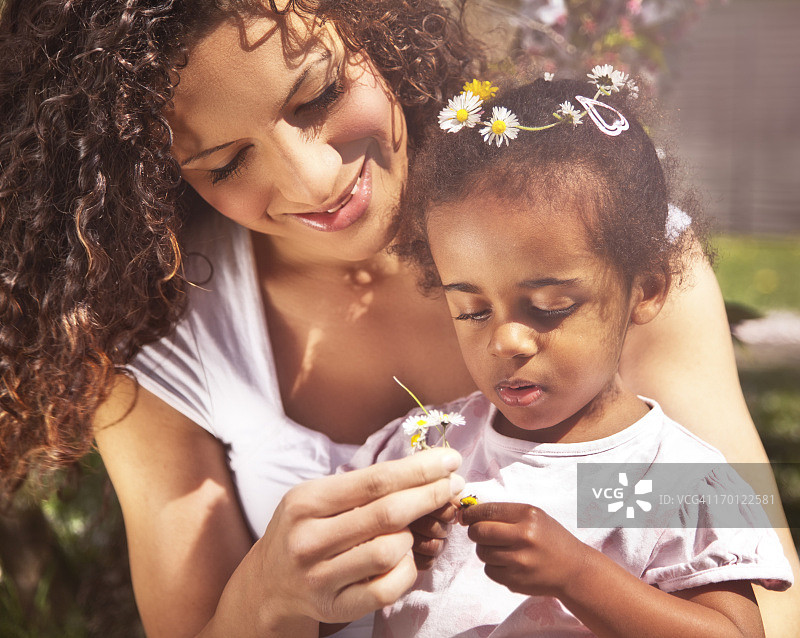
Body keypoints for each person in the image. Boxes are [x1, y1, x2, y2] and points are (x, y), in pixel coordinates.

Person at [0, 1, 797, 636]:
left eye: (318, 95)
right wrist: (270, 599)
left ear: (372, 30)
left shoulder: (603, 247)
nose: (314, 178)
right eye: (226, 162)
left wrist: (578, 551)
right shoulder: (162, 335)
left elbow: (756, 581)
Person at [342, 74, 793, 637]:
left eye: (550, 305)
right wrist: (382, 552)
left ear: (646, 291)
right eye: (473, 310)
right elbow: (310, 598)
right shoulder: (425, 449)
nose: (506, 340)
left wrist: (579, 576)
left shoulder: (670, 477)